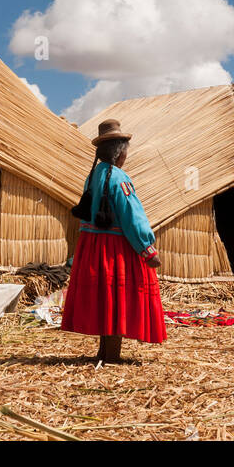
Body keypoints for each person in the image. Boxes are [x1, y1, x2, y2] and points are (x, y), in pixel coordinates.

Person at [61, 119, 167, 363]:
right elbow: (132, 217)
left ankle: (104, 352)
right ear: (120, 153)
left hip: (92, 248)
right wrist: (147, 250)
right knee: (118, 299)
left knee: (103, 298)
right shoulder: (120, 179)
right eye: (126, 151)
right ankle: (112, 355)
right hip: (114, 250)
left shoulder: (93, 176)